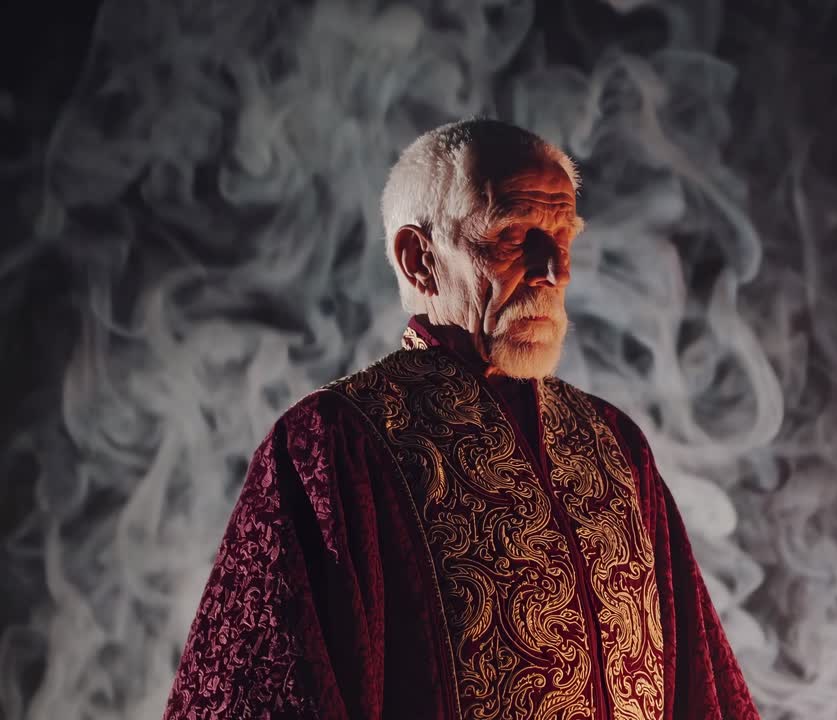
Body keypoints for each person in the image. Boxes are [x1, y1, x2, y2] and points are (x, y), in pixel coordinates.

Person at [164, 119, 760, 720]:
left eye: (562, 238)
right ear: (418, 258)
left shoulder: (612, 444)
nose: (553, 271)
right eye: (513, 236)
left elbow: (702, 693)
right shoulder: (332, 444)